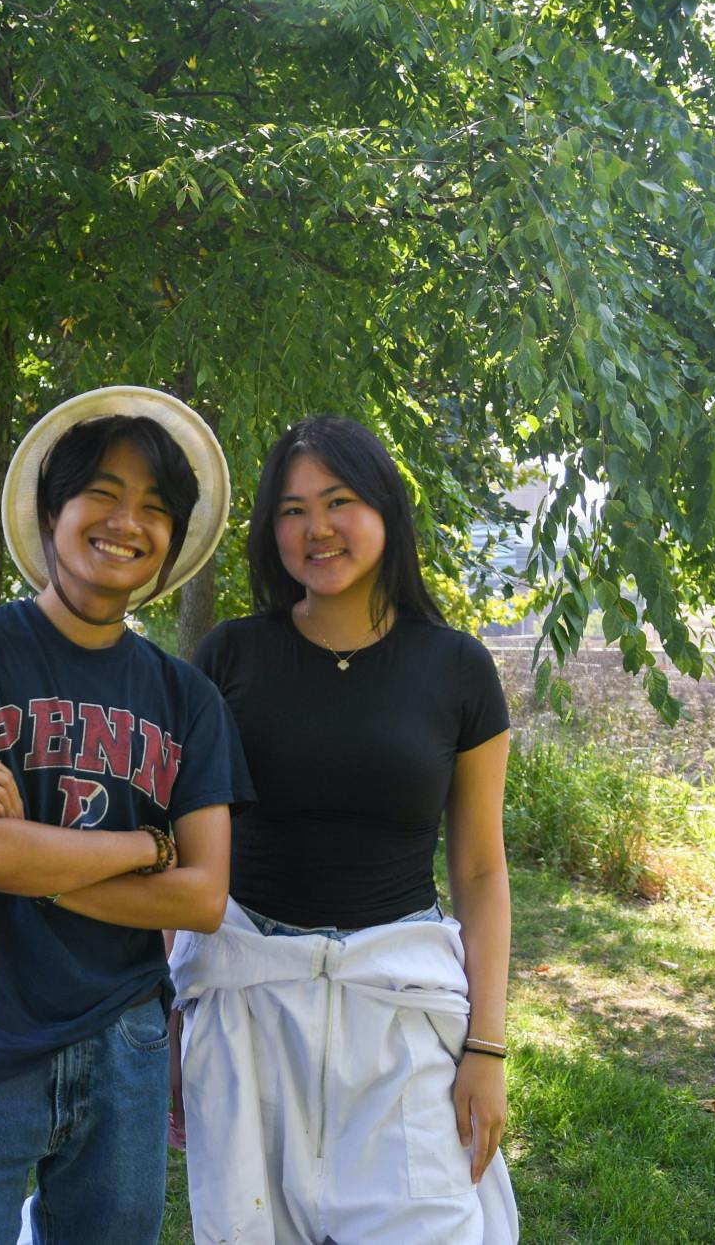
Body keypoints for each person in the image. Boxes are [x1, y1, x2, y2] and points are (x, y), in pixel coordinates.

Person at [0, 386, 244, 1245]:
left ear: (169, 546)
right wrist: (146, 844)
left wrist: (35, 857)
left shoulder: (186, 698)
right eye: (104, 493)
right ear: (52, 512)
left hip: (123, 1041)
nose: (129, 521)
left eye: (156, 508)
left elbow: (202, 896)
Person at [170, 414, 521, 1243]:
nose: (315, 528)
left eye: (338, 500)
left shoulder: (458, 668)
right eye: (291, 510)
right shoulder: (228, 659)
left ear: (386, 511)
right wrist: (167, 1017)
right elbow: (182, 847)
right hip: (245, 998)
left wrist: (489, 1047)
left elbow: (479, 869)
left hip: (398, 1004)